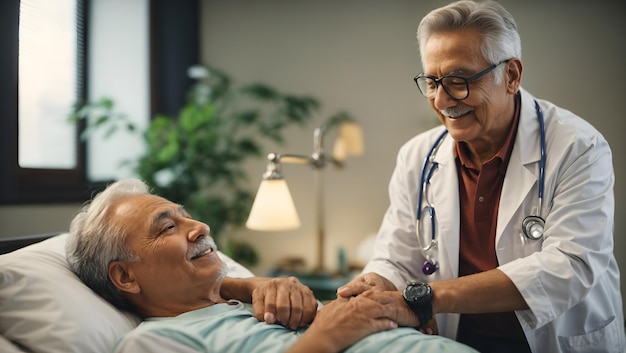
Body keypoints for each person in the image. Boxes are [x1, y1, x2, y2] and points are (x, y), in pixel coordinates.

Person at [337, 1, 625, 352]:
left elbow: (569, 267)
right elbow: (397, 256)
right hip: (459, 345)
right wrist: (376, 283)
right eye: (432, 82)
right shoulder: (418, 156)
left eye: (459, 81)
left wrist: (427, 298)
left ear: (512, 76)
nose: (443, 100)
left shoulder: (579, 147)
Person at [65, 178, 477, 353]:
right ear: (124, 276)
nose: (200, 227)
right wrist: (329, 336)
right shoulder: (154, 342)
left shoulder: (252, 302)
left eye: (187, 215)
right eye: (168, 226)